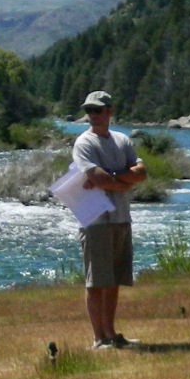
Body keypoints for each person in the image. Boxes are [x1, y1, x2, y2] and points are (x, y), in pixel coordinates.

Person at [71, 90, 147, 349]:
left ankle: (111, 334)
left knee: (114, 280)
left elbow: (141, 173)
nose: (92, 115)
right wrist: (122, 180)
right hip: (96, 220)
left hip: (121, 218)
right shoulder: (84, 143)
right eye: (89, 110)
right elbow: (98, 178)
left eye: (97, 110)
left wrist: (113, 177)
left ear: (109, 111)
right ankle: (98, 338)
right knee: (96, 282)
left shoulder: (122, 140)